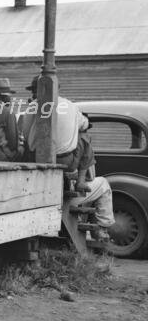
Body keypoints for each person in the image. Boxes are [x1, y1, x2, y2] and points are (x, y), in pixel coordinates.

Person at [19, 75, 114, 240]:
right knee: (84, 136)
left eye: (34, 91)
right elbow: (84, 124)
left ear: (37, 91)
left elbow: (26, 134)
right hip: (66, 161)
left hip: (35, 161)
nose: (33, 94)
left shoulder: (32, 107)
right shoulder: (70, 106)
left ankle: (80, 182)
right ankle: (101, 224)